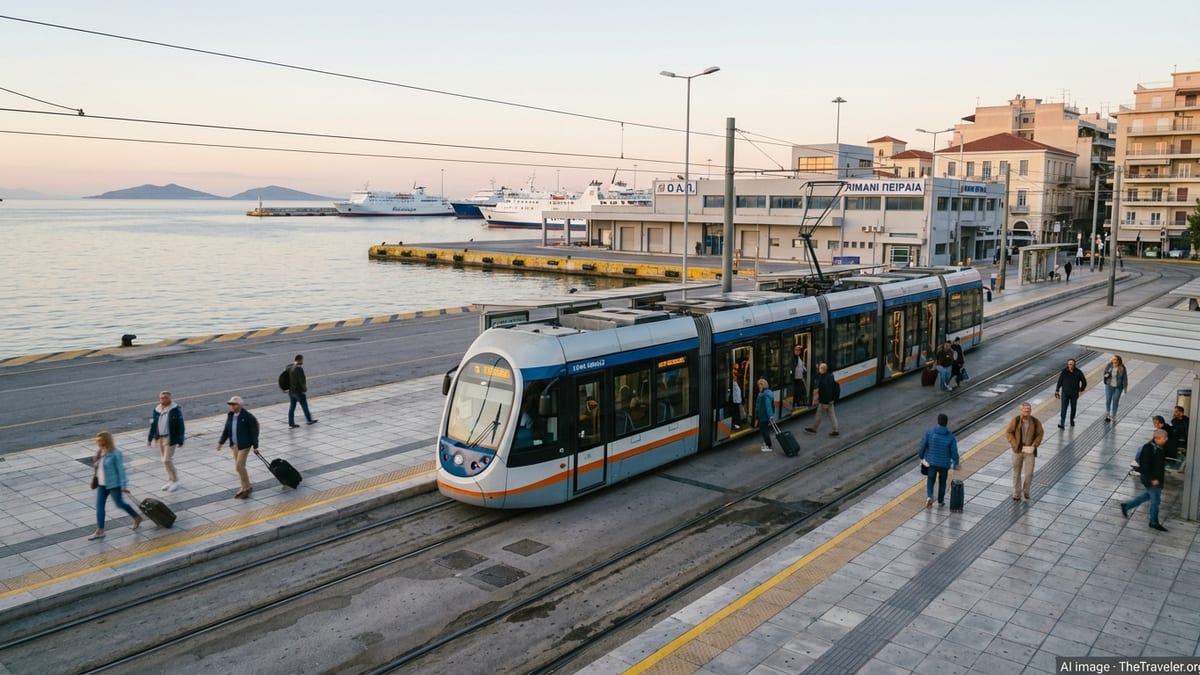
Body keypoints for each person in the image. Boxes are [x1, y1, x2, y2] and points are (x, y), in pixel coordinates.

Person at [89, 431, 143, 539]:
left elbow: (121, 470)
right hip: (101, 484)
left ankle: (136, 517)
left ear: (106, 441)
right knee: (99, 507)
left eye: (100, 441)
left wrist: (123, 485)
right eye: (97, 441)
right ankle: (100, 530)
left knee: (119, 504)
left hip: (114, 484)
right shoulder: (100, 452)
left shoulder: (115, 453)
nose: (98, 443)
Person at [1120, 428, 1170, 532]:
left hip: (1155, 480)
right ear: (1157, 438)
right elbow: (1146, 466)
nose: (1166, 440)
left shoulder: (1159, 447)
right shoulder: (1150, 449)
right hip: (1152, 480)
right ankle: (1153, 522)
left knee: (1146, 496)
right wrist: (1153, 479)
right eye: (1164, 438)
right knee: (1155, 501)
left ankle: (1126, 506)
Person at [217, 395, 260, 499]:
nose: (231, 406)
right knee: (240, 468)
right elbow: (227, 430)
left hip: (244, 445)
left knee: (239, 466)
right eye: (230, 404)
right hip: (235, 446)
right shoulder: (230, 415)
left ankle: (247, 487)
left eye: (233, 404)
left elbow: (254, 431)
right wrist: (221, 442)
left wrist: (255, 446)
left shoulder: (247, 416)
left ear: (239, 405)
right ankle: (244, 486)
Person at [918, 413, 960, 508]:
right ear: (946, 423)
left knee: (930, 479)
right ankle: (940, 501)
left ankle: (929, 497)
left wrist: (921, 456)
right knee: (942, 482)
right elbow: (954, 452)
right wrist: (956, 463)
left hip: (931, 462)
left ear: (937, 421)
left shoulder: (930, 432)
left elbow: (922, 447)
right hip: (944, 464)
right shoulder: (950, 436)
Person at [1005, 402, 1044, 501]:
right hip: (1018, 450)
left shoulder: (1035, 422)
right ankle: (1016, 494)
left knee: (1029, 473)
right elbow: (1008, 432)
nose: (1026, 412)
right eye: (1024, 410)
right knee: (1016, 473)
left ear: (1030, 411)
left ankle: (1026, 490)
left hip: (1029, 451)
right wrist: (1014, 445)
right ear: (1021, 410)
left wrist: (1034, 445)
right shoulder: (1016, 420)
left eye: (1028, 410)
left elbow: (1040, 434)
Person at [147, 390, 184, 492]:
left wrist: (180, 440)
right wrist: (150, 438)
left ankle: (175, 481)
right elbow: (153, 424)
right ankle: (170, 480)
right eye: (161, 398)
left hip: (170, 438)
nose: (163, 400)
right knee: (165, 461)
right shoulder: (157, 409)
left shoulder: (175, 409)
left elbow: (181, 425)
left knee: (166, 460)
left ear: (170, 398)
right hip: (160, 438)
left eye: (165, 398)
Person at [804, 363, 840, 437]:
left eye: (820, 368)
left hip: (825, 401)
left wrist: (826, 403)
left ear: (823, 369)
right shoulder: (828, 376)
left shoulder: (825, 379)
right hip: (828, 400)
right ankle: (835, 430)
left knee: (819, 415)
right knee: (831, 415)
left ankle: (814, 429)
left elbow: (827, 391)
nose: (818, 369)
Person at [286, 354, 318, 428]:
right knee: (304, 405)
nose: (303, 361)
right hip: (298, 391)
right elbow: (301, 381)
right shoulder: (299, 368)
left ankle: (291, 423)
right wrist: (304, 389)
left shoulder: (289, 367)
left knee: (292, 408)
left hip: (291, 391)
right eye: (302, 360)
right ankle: (309, 420)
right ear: (299, 360)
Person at [1054, 358, 1087, 428]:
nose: (1070, 365)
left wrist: (1081, 390)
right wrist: (1057, 390)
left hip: (1074, 393)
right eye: (1069, 364)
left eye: (1071, 364)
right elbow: (1060, 381)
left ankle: (1072, 420)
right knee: (1063, 408)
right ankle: (1062, 423)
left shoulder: (1078, 372)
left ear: (1074, 364)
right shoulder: (1064, 372)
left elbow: (1084, 382)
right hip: (1065, 393)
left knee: (1073, 408)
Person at [1102, 355, 1127, 423]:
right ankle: (1107, 414)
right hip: (1109, 385)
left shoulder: (1122, 368)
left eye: (1115, 359)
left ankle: (1114, 414)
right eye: (1113, 359)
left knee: (1115, 400)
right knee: (1108, 400)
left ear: (1118, 360)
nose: (1114, 361)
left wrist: (1125, 387)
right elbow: (1105, 373)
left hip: (1118, 387)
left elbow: (1125, 378)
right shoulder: (1109, 366)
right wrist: (1106, 375)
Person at [754, 378, 775, 453]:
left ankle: (768, 445)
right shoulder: (766, 393)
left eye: (760, 385)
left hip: (764, 415)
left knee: (764, 431)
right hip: (763, 415)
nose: (758, 386)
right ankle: (767, 443)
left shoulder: (765, 395)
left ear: (763, 385)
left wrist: (770, 416)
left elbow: (768, 406)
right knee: (763, 430)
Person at [792, 344, 808, 409]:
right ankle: (799, 403)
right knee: (800, 390)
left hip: (799, 377)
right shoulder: (794, 358)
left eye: (799, 350)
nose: (798, 351)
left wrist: (806, 369)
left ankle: (800, 402)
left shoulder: (798, 357)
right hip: (796, 378)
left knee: (801, 390)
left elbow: (801, 366)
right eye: (796, 350)